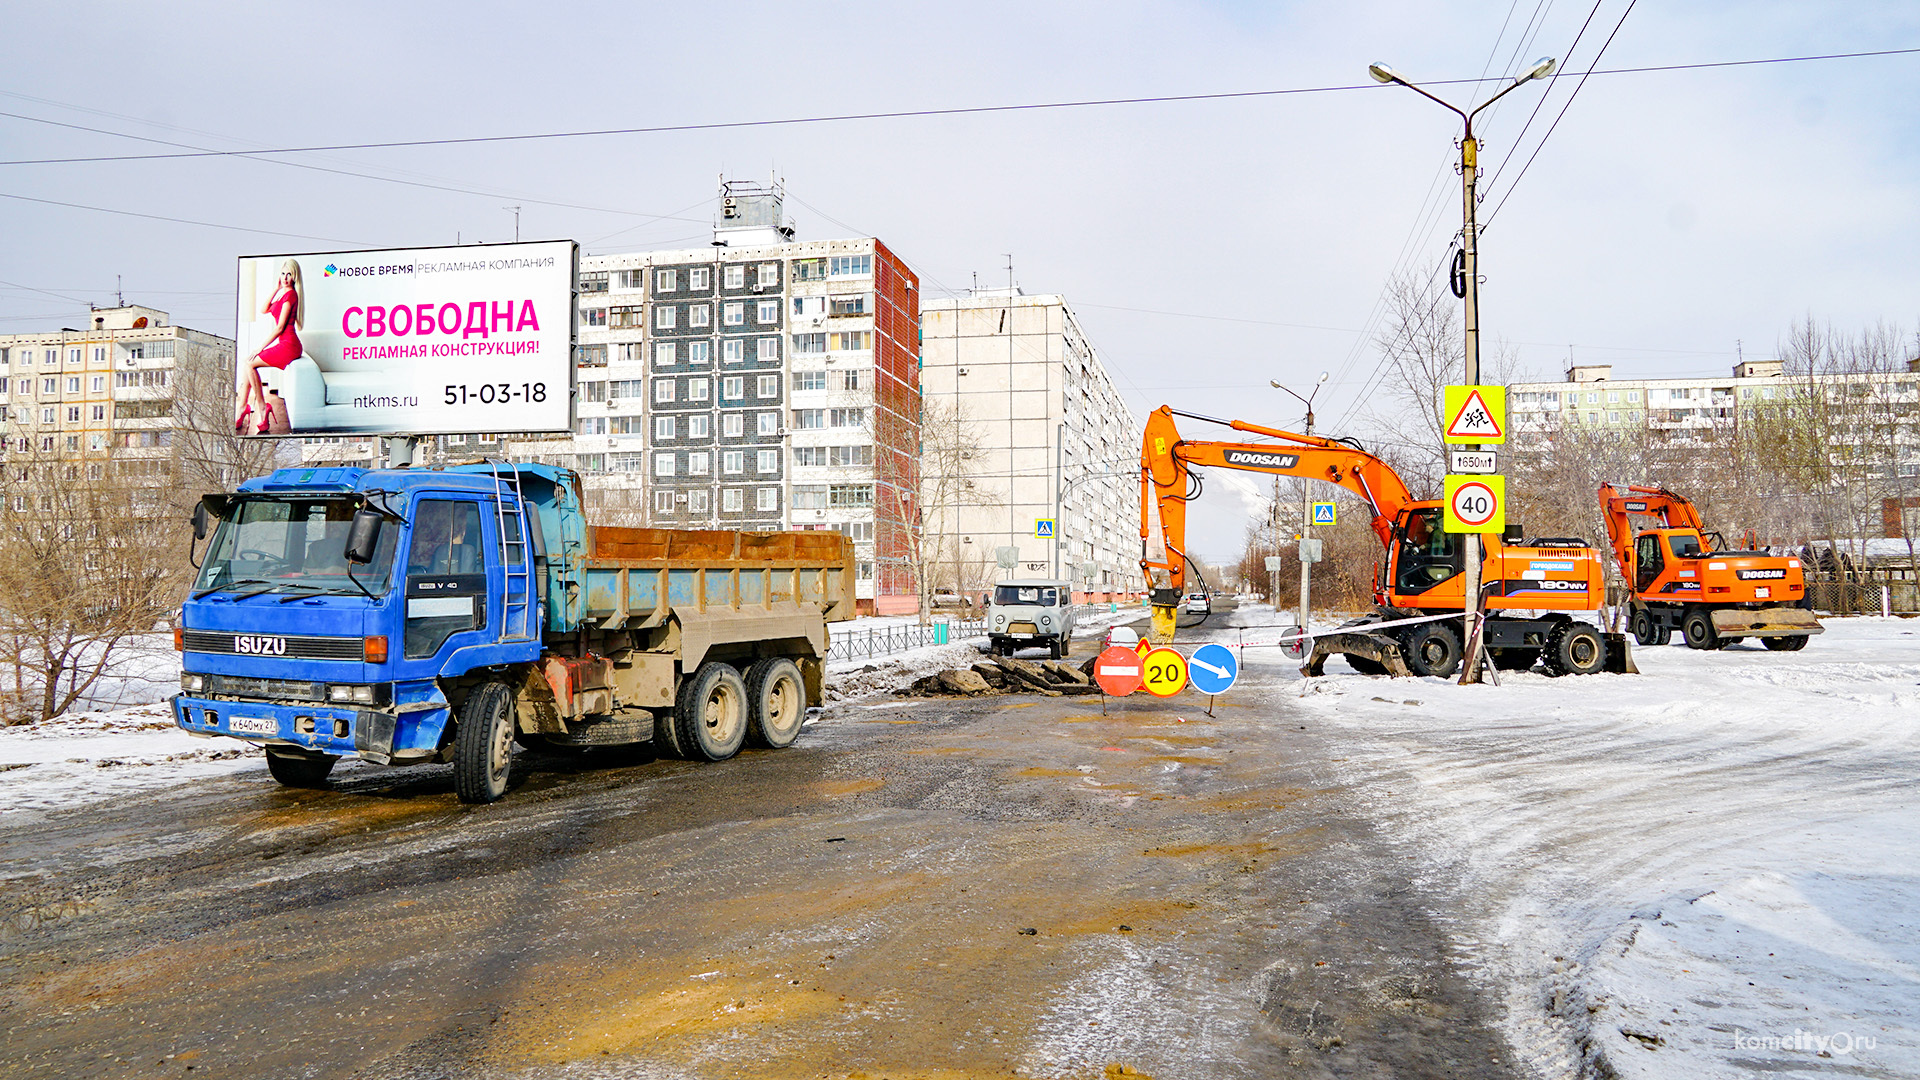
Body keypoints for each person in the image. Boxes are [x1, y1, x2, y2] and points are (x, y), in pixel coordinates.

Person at [236, 260, 304, 434]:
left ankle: (261, 408)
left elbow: (280, 327)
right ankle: (243, 407)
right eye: (283, 274)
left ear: (295, 276)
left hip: (289, 345)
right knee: (248, 363)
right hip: (285, 344)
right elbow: (263, 309)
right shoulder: (282, 294)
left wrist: (260, 347)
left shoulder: (291, 296)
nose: (286, 278)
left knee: (250, 363)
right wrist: (276, 288)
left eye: (289, 274)